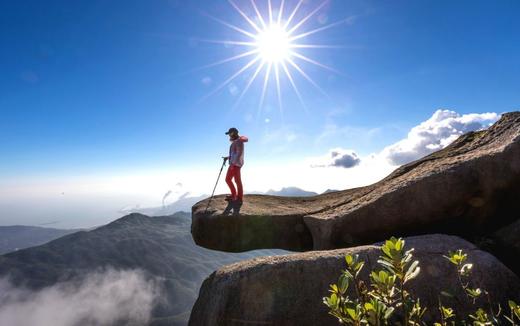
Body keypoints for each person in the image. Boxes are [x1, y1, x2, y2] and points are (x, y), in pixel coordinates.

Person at [223, 127, 248, 203]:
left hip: (235, 165)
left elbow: (239, 154)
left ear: (233, 133)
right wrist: (228, 157)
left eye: (229, 134)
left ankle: (239, 198)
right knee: (231, 180)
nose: (229, 136)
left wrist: (233, 164)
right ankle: (234, 195)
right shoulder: (236, 141)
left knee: (234, 180)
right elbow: (235, 153)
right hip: (234, 164)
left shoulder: (238, 142)